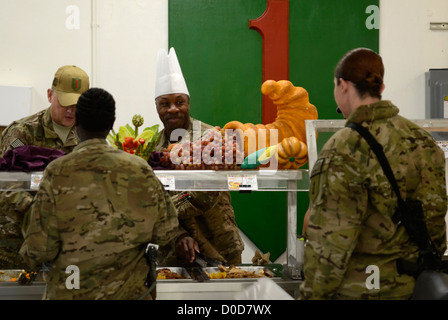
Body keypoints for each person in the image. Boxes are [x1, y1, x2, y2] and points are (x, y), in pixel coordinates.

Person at [20, 87, 196, 300]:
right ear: (111, 124)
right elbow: (166, 231)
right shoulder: (139, 169)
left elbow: (38, 248)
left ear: (77, 123)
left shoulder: (57, 172)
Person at [299, 48, 447, 299]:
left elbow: (331, 245)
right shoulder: (421, 139)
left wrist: (310, 295)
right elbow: (435, 226)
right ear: (381, 86)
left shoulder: (344, 147)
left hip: (361, 291)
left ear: (343, 85)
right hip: (415, 288)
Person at [153, 48, 244, 265]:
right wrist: (176, 234)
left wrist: (153, 214)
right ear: (157, 108)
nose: (173, 109)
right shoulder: (153, 146)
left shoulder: (212, 138)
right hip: (174, 250)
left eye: (179, 102)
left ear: (189, 104)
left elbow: (203, 195)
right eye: (165, 103)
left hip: (219, 246)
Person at [0, 65, 89, 268]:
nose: (71, 110)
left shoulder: (87, 137)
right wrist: (40, 212)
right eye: (66, 103)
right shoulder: (22, 133)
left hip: (67, 248)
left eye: (78, 105)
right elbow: (5, 187)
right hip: (16, 245)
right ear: (50, 95)